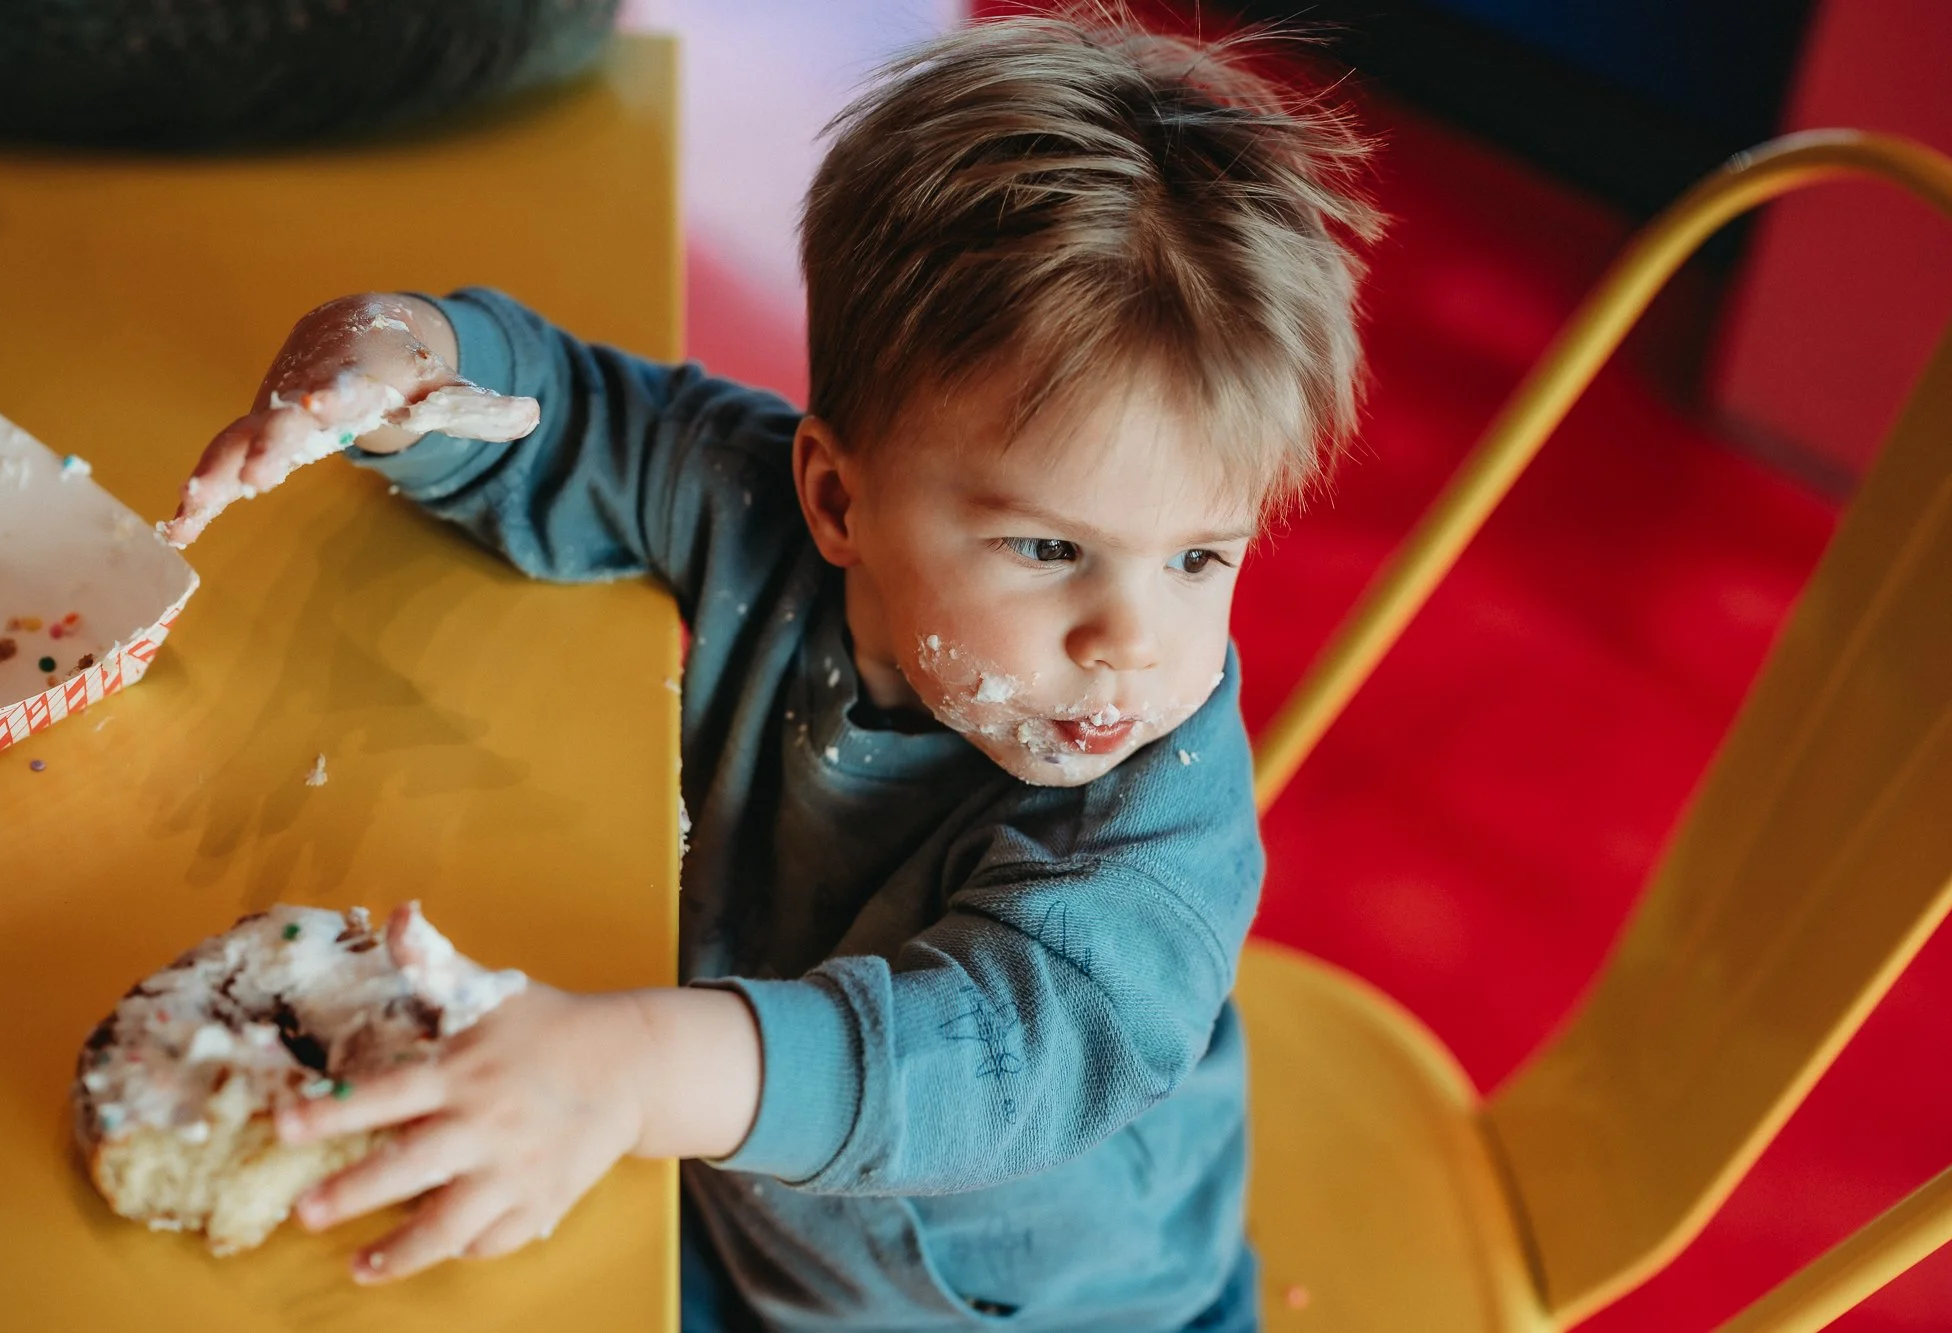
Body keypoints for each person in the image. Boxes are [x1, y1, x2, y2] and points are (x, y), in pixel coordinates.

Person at [163, 8, 1379, 1329]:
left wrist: (627, 1071)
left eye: (1201, 560)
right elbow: (573, 419)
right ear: (838, 500)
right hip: (744, 1221)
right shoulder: (762, 513)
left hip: (1041, 1311)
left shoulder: (1156, 829)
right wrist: (402, 365)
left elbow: (989, 1055)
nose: (1132, 642)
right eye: (1049, 547)